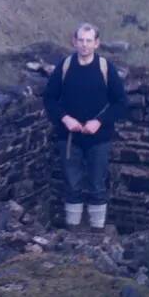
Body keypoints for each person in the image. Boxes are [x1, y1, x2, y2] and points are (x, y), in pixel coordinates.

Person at [43, 23, 130, 231]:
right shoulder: (64, 66)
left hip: (98, 138)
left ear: (97, 43)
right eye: (81, 40)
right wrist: (65, 119)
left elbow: (121, 102)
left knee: (97, 186)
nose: (84, 45)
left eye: (89, 41)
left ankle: (97, 233)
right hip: (69, 137)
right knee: (72, 185)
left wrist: (99, 122)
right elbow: (49, 99)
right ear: (74, 41)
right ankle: (72, 233)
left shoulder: (105, 67)